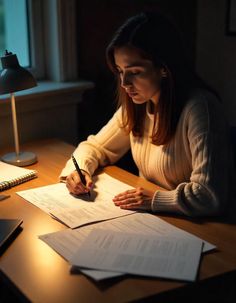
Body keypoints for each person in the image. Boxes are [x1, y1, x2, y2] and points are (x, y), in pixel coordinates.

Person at [60, 11, 232, 217]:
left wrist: (154, 200)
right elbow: (95, 147)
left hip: (202, 227)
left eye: (134, 72)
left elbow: (208, 195)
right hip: (156, 218)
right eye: (120, 71)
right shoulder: (138, 104)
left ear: (164, 68)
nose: (124, 84)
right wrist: (80, 171)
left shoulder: (201, 109)